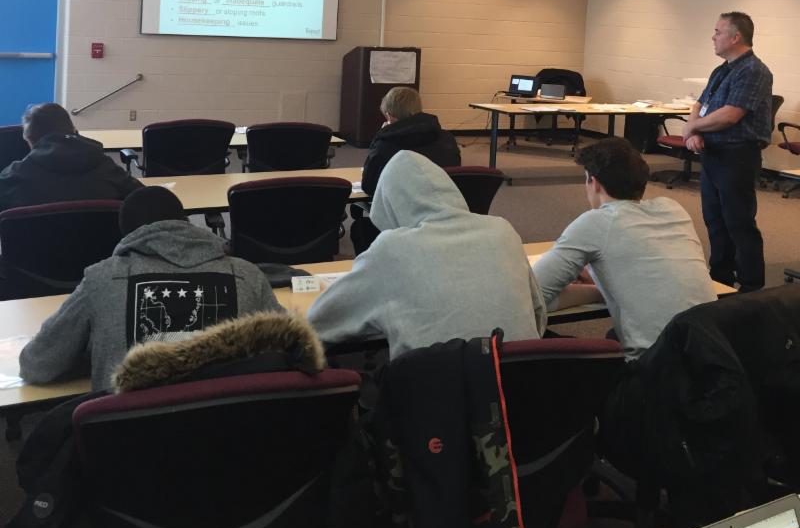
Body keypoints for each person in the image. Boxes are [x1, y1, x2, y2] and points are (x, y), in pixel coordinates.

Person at [19, 186, 283, 390]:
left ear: (127, 236)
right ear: (186, 223)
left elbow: (37, 364)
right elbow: (290, 349)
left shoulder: (101, 279)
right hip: (230, 440)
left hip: (129, 445)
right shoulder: (247, 274)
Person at [308, 151, 547, 358]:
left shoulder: (392, 249)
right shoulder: (503, 230)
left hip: (438, 398)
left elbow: (318, 322)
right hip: (523, 389)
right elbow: (538, 315)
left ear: (388, 206)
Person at [532, 138, 716, 360]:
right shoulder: (673, 209)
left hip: (656, 372)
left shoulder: (595, 223)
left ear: (594, 183)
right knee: (613, 335)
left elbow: (533, 295)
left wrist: (600, 291)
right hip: (712, 358)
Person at [681, 12, 773, 292]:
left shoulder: (754, 71)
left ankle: (750, 287)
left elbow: (730, 116)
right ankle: (720, 278)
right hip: (714, 154)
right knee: (715, 220)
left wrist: (692, 127)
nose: (713, 36)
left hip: (737, 156)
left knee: (739, 222)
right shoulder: (722, 69)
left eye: (718, 31)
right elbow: (700, 103)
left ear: (735, 37)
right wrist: (694, 131)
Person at [0, 103, 141, 213]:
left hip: (32, 249)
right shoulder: (108, 168)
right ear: (74, 131)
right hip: (105, 250)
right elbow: (148, 200)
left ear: (30, 141)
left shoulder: (12, 177)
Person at [361, 87, 460, 196]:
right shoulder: (447, 138)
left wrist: (382, 134)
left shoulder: (385, 144)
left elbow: (369, 186)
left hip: (402, 207)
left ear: (389, 116)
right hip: (442, 202)